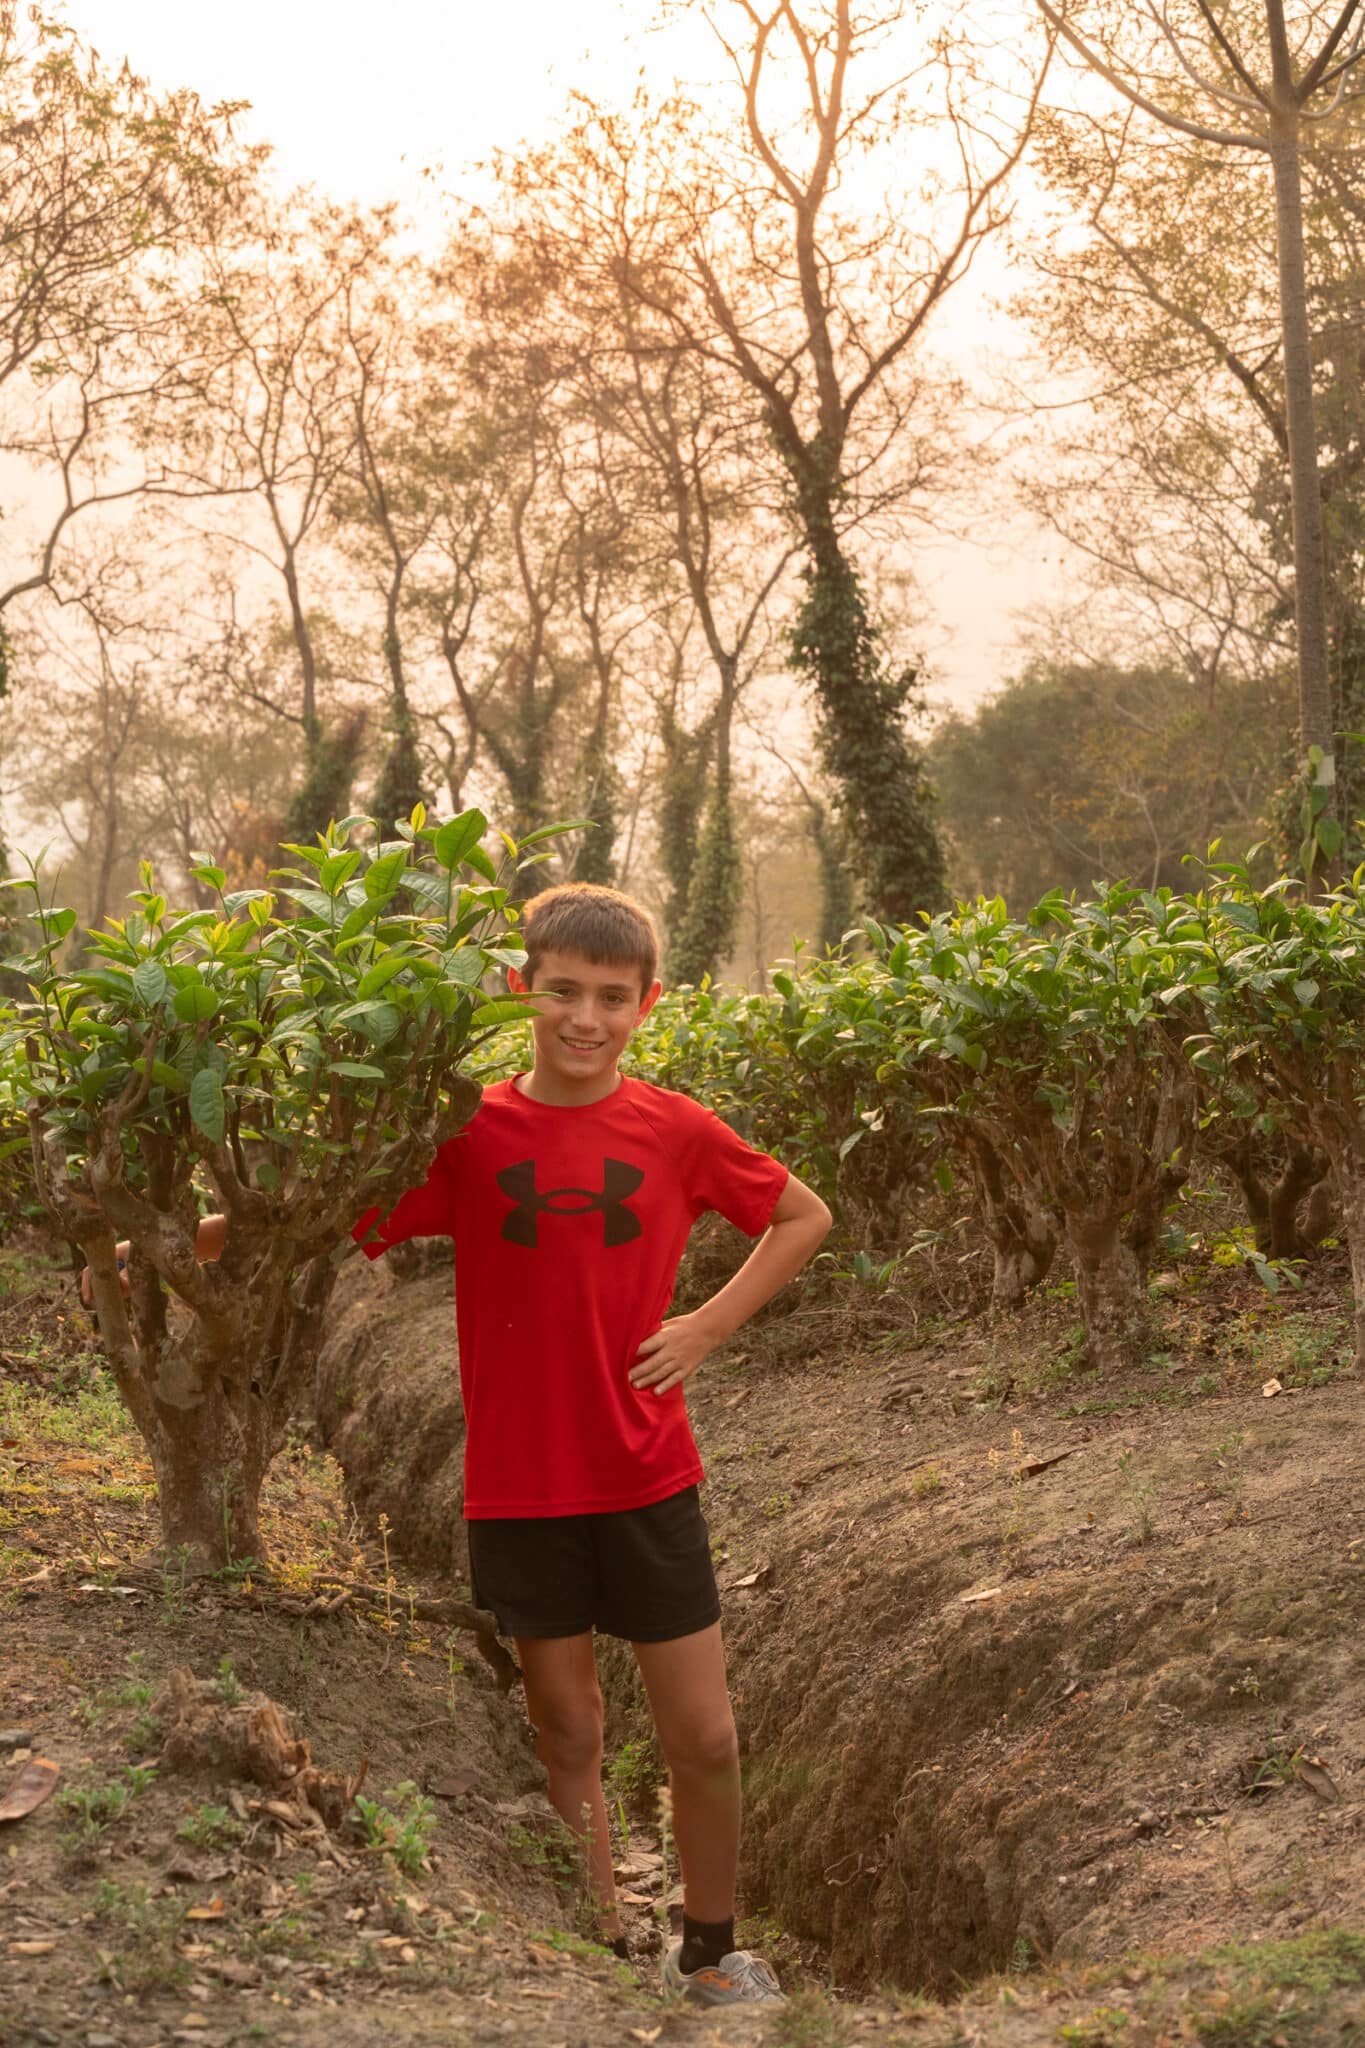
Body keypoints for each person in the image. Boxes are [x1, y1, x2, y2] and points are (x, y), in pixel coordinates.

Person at [85, 880, 832, 2007]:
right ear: (517, 990)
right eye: (562, 990)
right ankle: (598, 1950)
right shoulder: (470, 1131)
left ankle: (712, 1948)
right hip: (519, 1483)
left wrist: (708, 1323)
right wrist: (160, 1242)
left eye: (612, 997)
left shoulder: (675, 1129)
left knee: (708, 1734)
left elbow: (801, 1213)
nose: (586, 1016)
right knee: (567, 1727)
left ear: (648, 1002)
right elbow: (319, 1215)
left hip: (646, 1471)